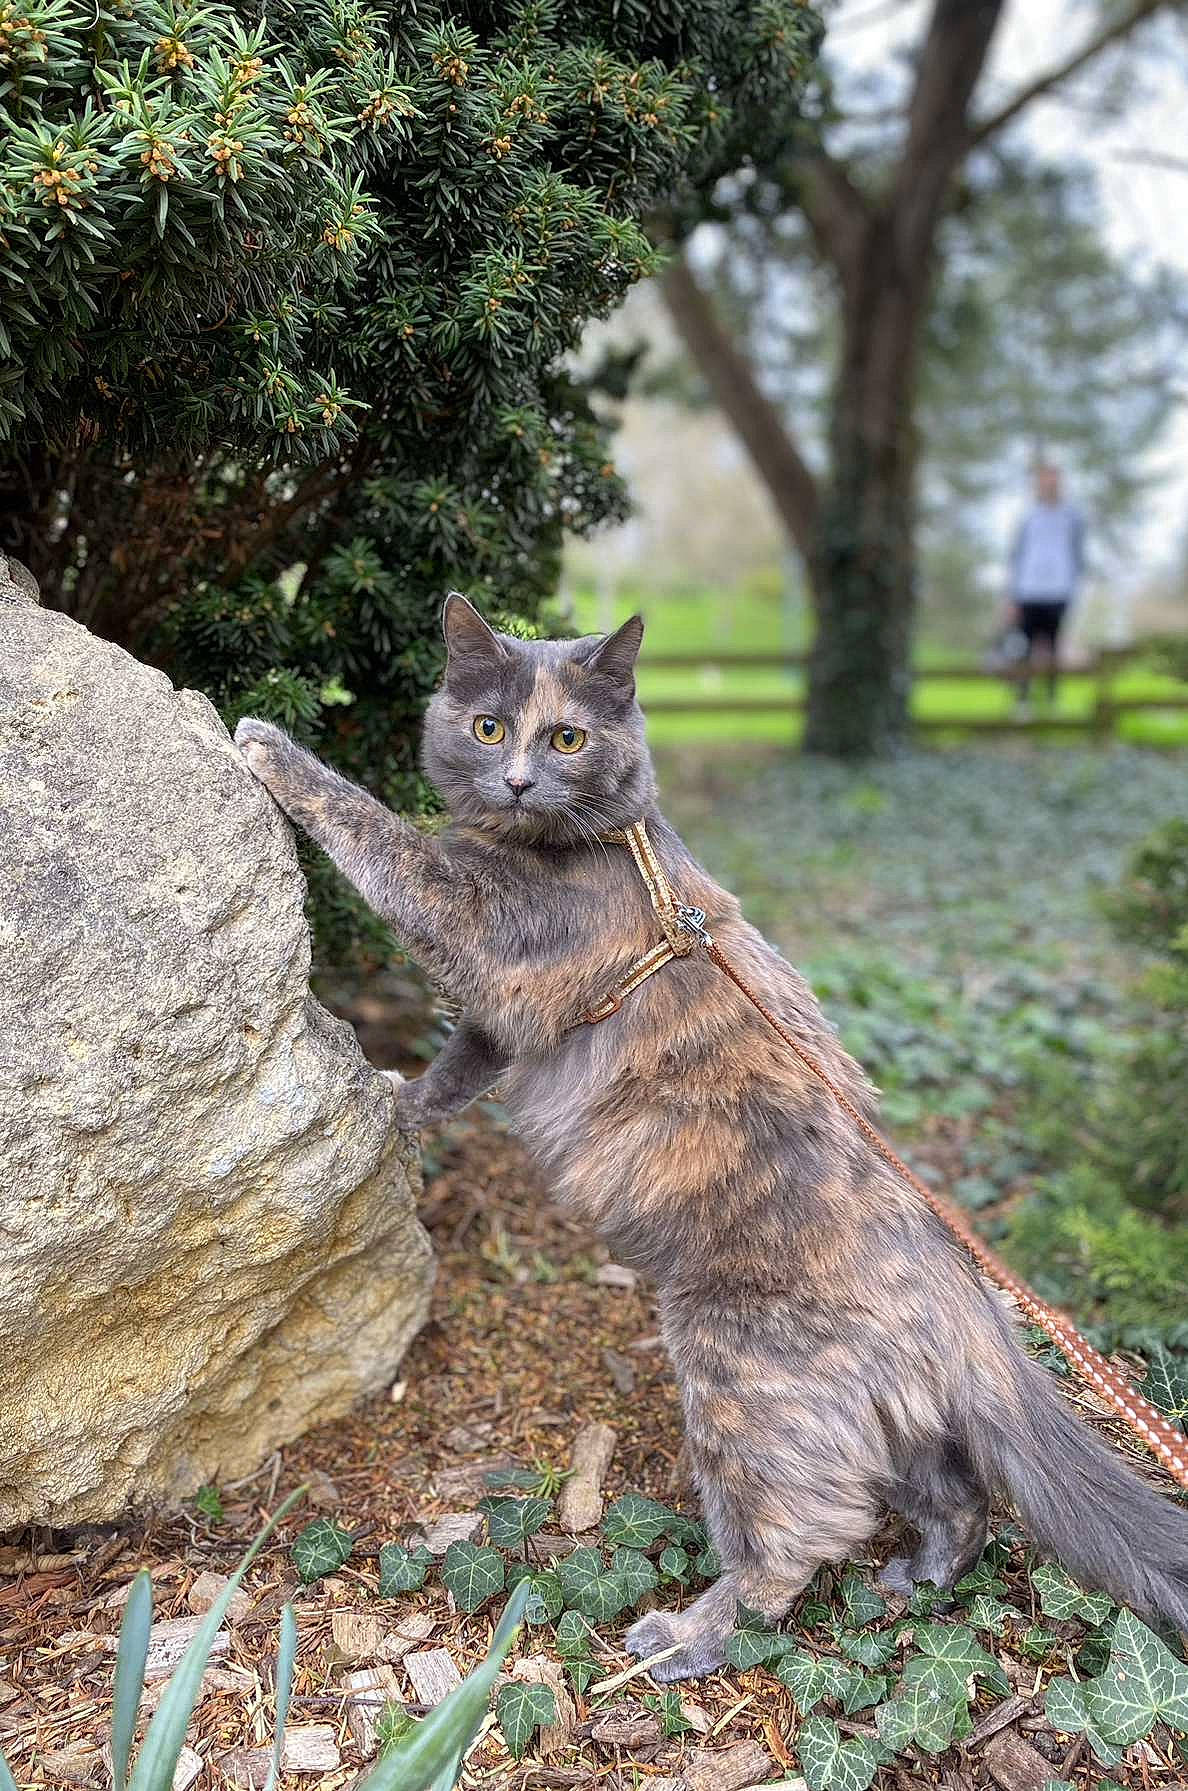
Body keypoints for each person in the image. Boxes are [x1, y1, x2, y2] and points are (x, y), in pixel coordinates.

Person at [1007, 463, 1085, 710]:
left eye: (1054, 480)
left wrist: (1074, 589)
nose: (1049, 485)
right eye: (1045, 481)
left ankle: (1051, 700)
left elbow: (1078, 555)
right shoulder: (1027, 517)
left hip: (1059, 591)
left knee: (1053, 646)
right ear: (1038, 484)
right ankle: (1023, 700)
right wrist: (1011, 595)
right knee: (1024, 646)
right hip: (1028, 591)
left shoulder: (1073, 517)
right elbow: (1016, 556)